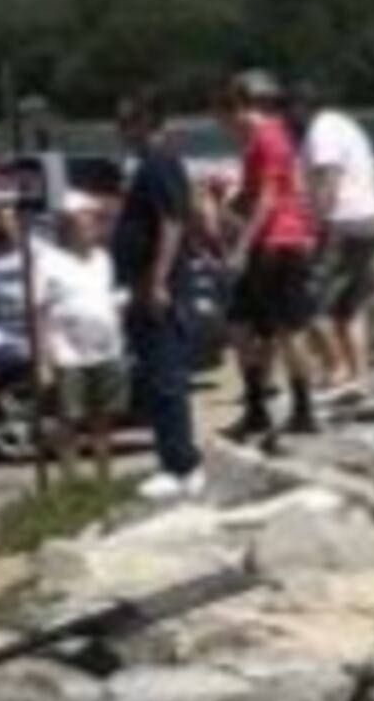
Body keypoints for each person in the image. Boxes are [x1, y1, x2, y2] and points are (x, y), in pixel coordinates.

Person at [110, 91, 210, 502]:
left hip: (158, 288)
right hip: (140, 286)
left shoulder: (159, 164)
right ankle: (171, 459)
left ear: (141, 124)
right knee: (154, 377)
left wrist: (158, 280)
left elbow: (171, 223)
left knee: (167, 377)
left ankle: (182, 464)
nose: (119, 133)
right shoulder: (148, 167)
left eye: (124, 124)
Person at [217, 69, 322, 445]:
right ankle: (260, 407)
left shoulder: (267, 136)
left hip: (277, 242)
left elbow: (268, 198)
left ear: (239, 110)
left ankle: (302, 409)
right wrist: (225, 204)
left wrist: (242, 246)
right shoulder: (263, 141)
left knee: (287, 328)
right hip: (275, 240)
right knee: (243, 326)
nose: (225, 128)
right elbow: (254, 194)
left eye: (225, 118)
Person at [295, 90, 374, 400]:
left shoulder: (321, 128)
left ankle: (339, 370)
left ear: (302, 106)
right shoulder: (345, 124)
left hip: (341, 219)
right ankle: (360, 376)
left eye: (289, 110)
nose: (287, 118)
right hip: (368, 217)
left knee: (312, 302)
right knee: (350, 305)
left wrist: (313, 226)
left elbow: (329, 178)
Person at [29, 195, 128, 487]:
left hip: (107, 349)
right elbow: (38, 311)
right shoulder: (48, 260)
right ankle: (70, 483)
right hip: (67, 353)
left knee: (103, 419)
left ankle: (104, 480)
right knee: (68, 420)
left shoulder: (103, 259)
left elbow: (109, 296)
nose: (91, 228)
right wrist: (43, 359)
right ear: (67, 227)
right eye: (82, 223)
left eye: (93, 223)